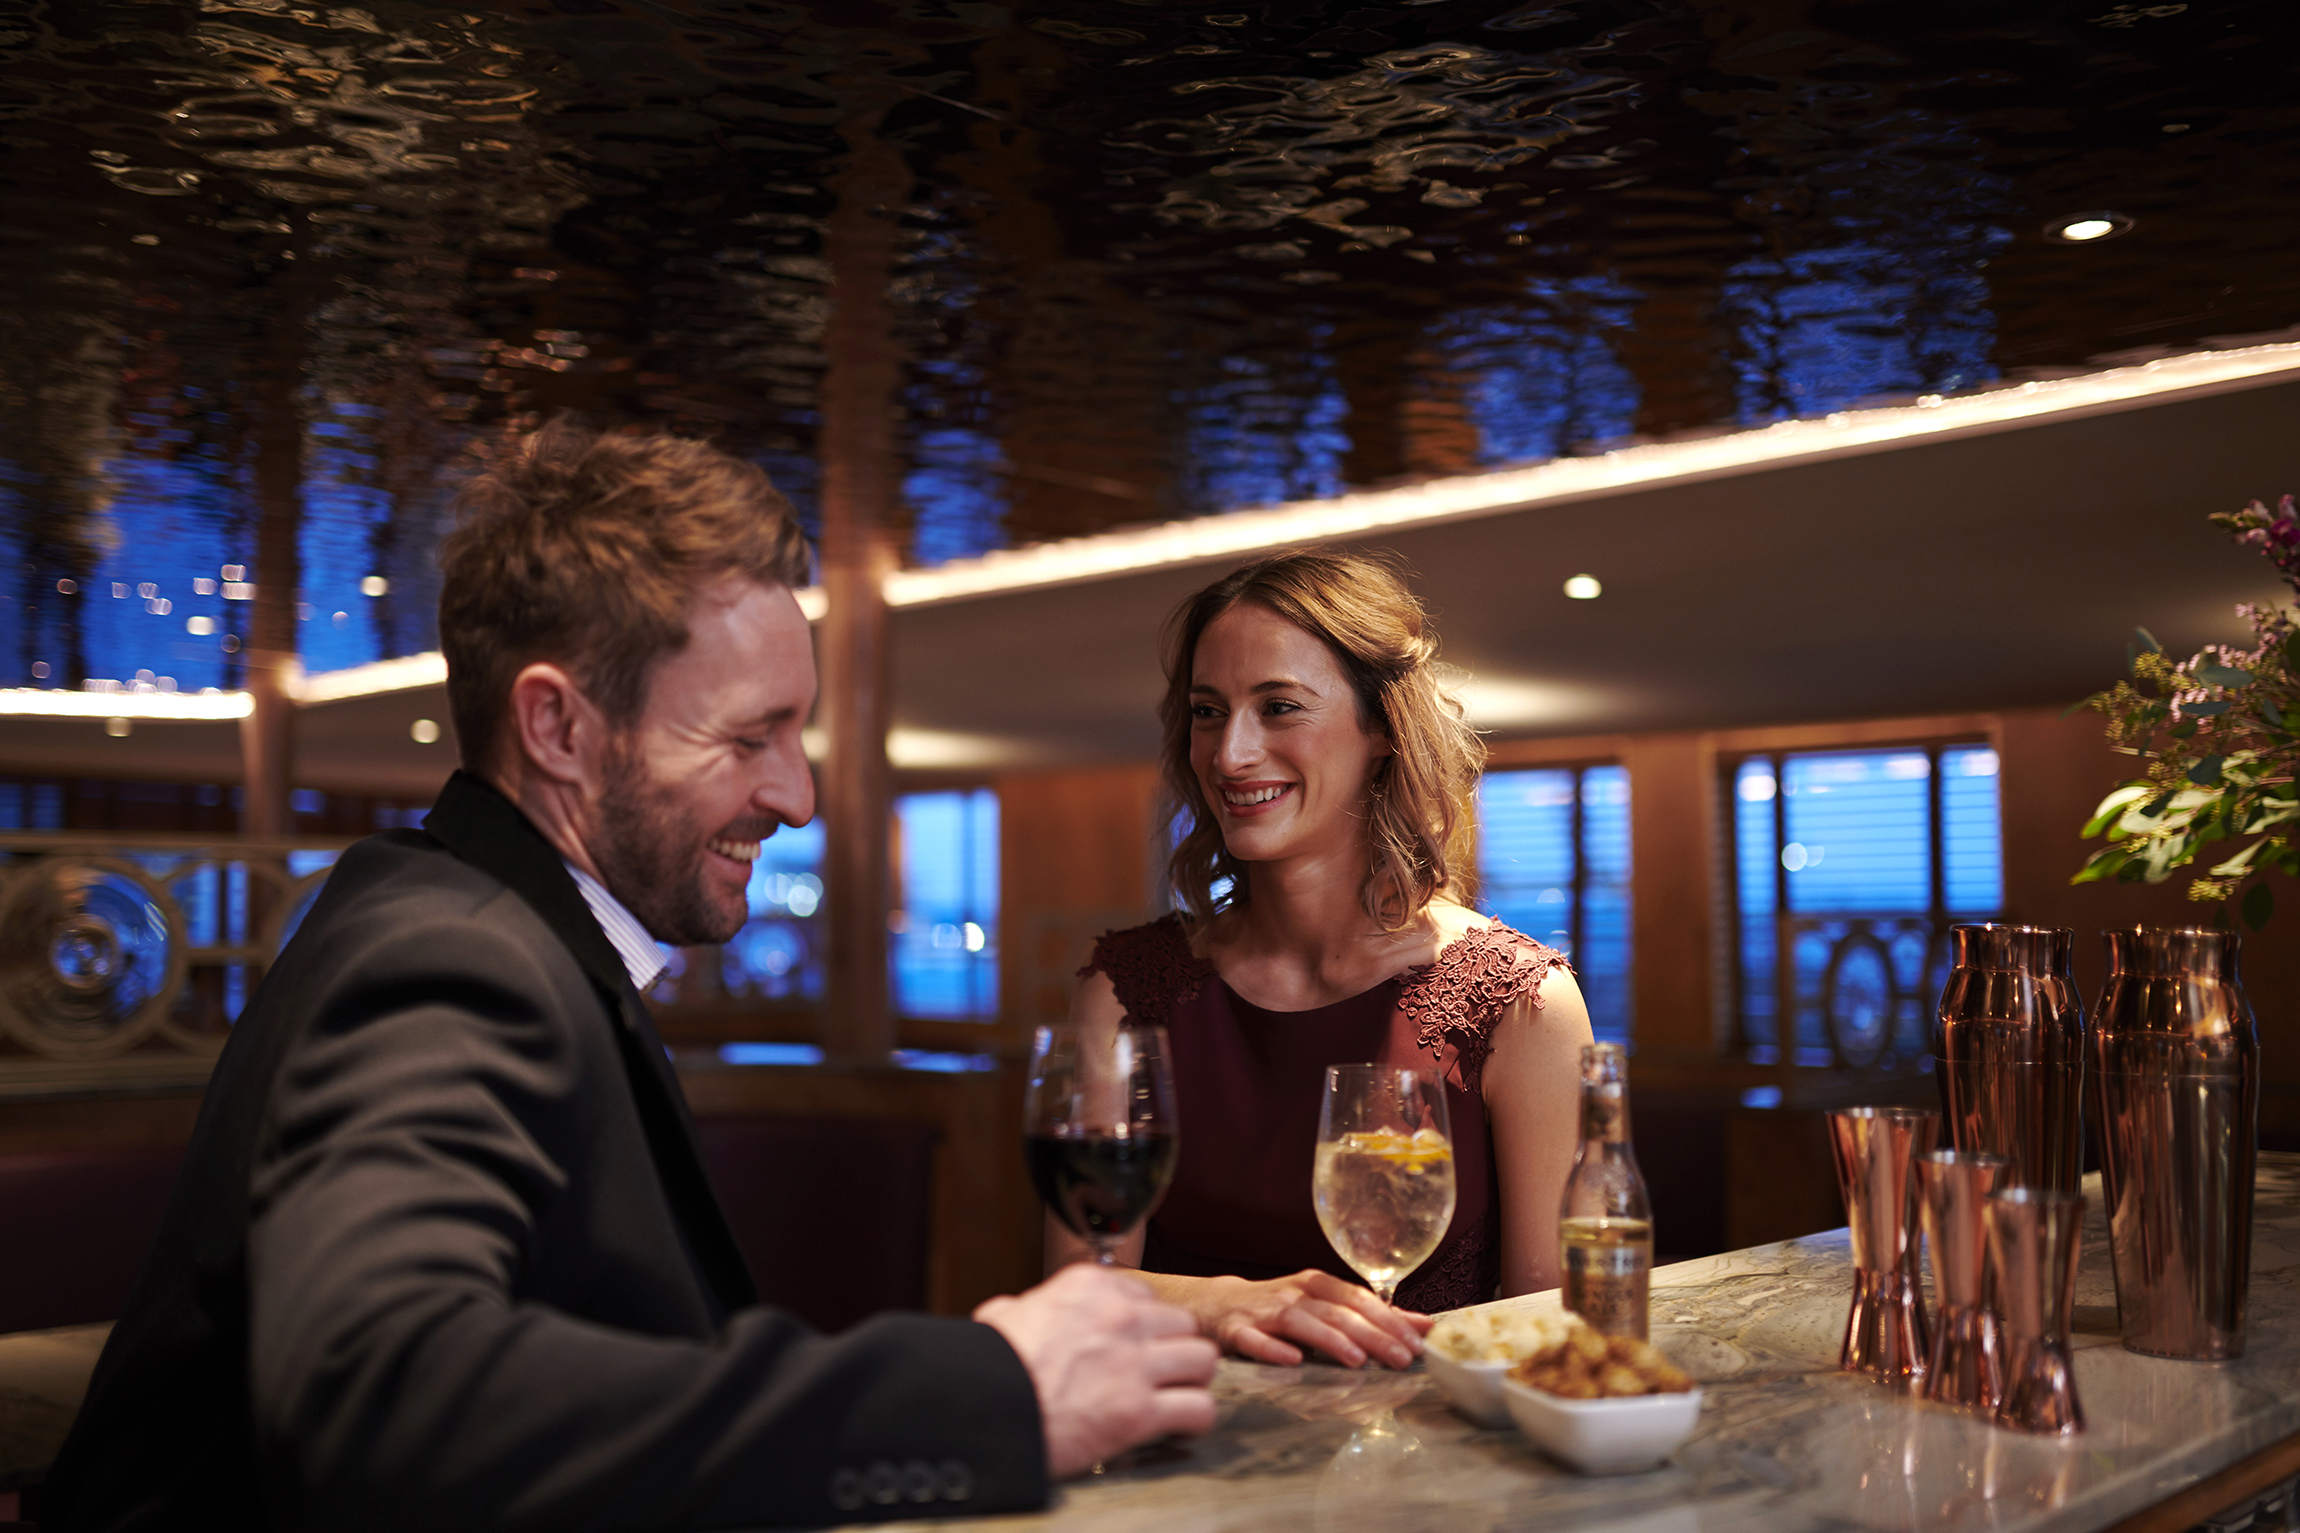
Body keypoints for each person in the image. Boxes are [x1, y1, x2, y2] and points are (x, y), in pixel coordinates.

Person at [39, 427, 1215, 1532]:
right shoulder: (449, 957)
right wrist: (986, 1391)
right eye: (747, 738)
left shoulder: (492, 923)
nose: (796, 797)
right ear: (557, 727)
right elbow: (382, 1393)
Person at [1058, 550, 1594, 1371]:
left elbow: (1546, 1337)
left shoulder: (1521, 1004)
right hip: (1177, 1465)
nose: (1231, 753)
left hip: (1433, 1476)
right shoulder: (1125, 993)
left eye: (1279, 706)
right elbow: (1073, 1292)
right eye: (1208, 711)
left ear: (1382, 729)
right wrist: (1223, 1301)